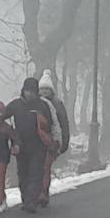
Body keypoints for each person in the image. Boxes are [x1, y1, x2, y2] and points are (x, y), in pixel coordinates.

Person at [5, 77, 58, 213]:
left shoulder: (42, 105)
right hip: (21, 146)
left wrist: (55, 141)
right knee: (23, 175)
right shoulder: (15, 105)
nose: (30, 94)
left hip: (39, 146)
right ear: (23, 90)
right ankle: (26, 198)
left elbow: (50, 124)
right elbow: (2, 116)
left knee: (36, 174)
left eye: (32, 91)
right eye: (28, 91)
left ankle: (31, 202)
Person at [37, 70, 70, 207]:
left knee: (45, 167)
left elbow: (63, 123)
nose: (44, 91)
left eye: (47, 89)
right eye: (42, 89)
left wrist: (63, 142)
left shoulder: (57, 104)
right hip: (37, 142)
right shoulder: (36, 103)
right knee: (37, 168)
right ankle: (37, 192)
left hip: (51, 142)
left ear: (51, 90)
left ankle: (43, 192)